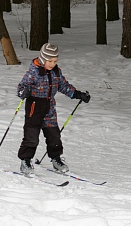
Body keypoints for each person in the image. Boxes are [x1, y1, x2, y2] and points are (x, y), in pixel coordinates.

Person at [17, 42, 90, 176]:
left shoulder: (56, 72)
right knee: (32, 136)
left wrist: (77, 94)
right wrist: (23, 92)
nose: (52, 64)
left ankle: (56, 159)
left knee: (54, 135)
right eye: (49, 61)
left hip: (49, 106)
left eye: (55, 61)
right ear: (43, 59)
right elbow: (21, 86)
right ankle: (25, 161)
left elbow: (63, 86)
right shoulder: (33, 72)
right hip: (35, 106)